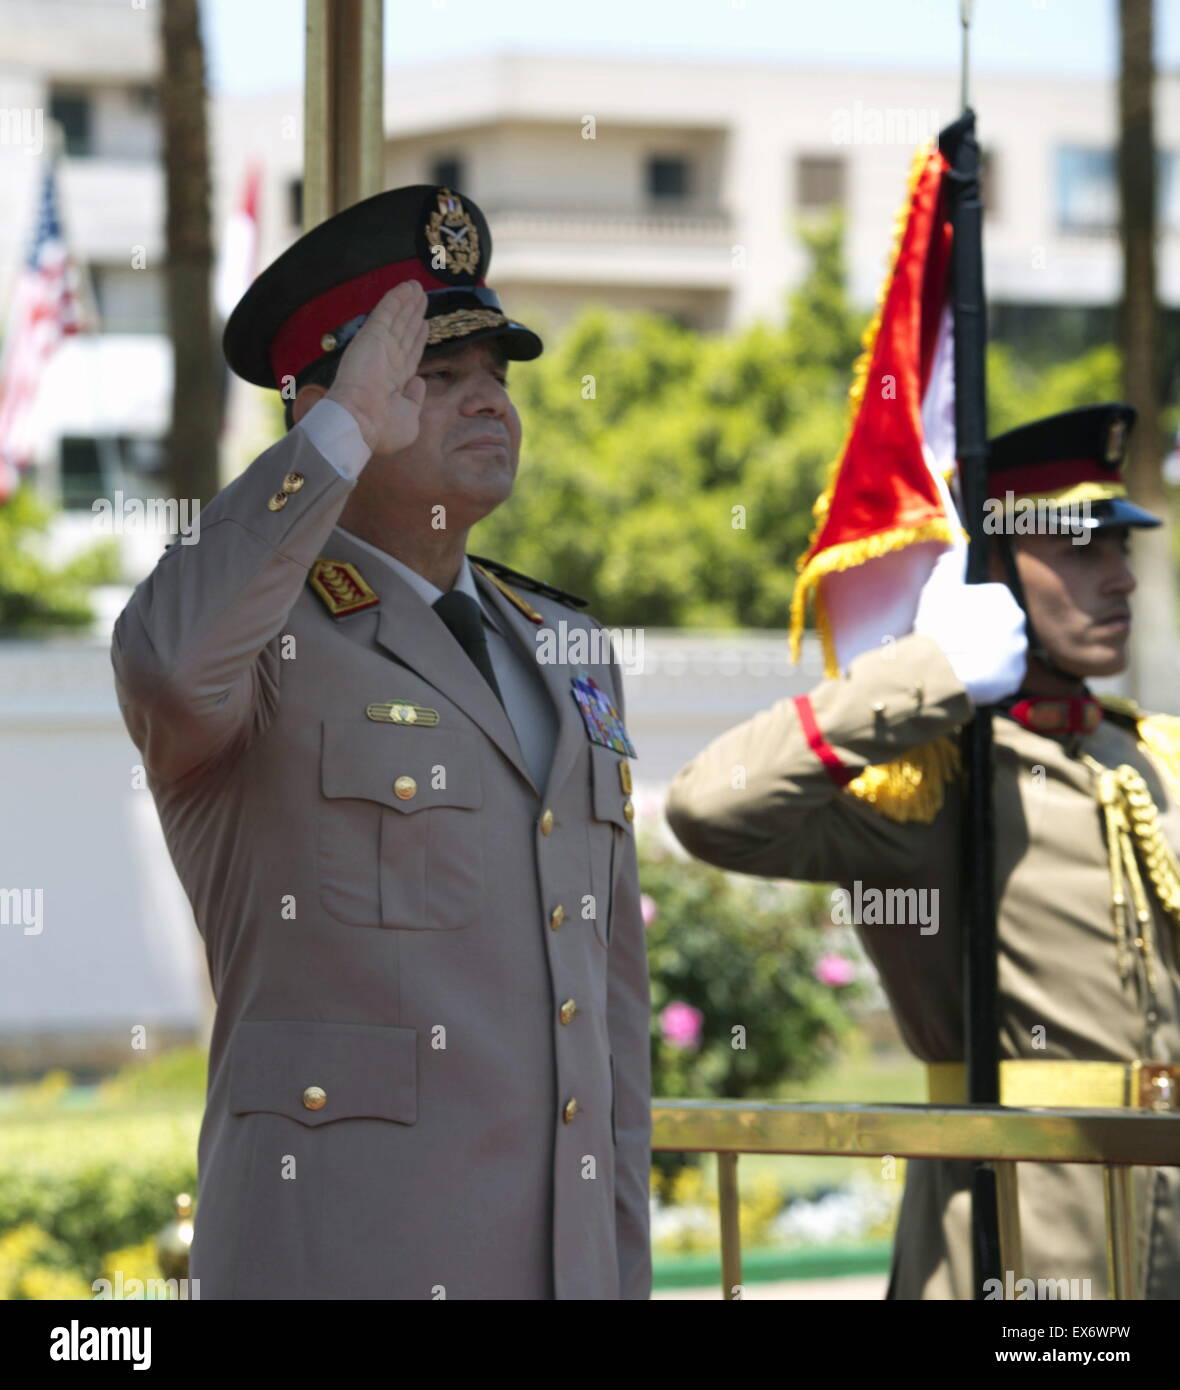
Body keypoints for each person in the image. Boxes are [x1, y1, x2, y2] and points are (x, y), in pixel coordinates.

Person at [111, 185, 651, 1300]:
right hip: (346, 1257)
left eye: (496, 376)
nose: (487, 404)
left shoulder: (566, 646)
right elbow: (167, 663)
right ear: (326, 407)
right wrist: (340, 434)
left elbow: (610, 1015)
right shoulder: (261, 641)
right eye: (435, 378)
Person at [666, 403, 1180, 1299]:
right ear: (991, 573)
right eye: (1078, 551)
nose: (1120, 580)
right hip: (1019, 1225)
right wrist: (930, 670)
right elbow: (711, 803)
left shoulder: (1145, 753)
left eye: (1119, 550)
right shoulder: (927, 778)